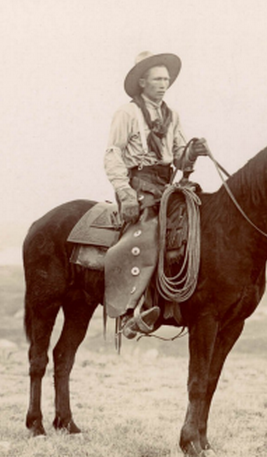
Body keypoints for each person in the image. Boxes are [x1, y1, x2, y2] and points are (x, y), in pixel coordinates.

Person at [103, 51, 209, 339]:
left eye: (166, 79)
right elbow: (112, 154)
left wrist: (192, 152)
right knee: (150, 231)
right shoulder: (127, 113)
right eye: (157, 79)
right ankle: (131, 311)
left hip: (165, 185)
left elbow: (179, 158)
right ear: (142, 82)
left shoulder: (172, 116)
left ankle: (180, 298)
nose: (164, 84)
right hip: (138, 184)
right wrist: (125, 193)